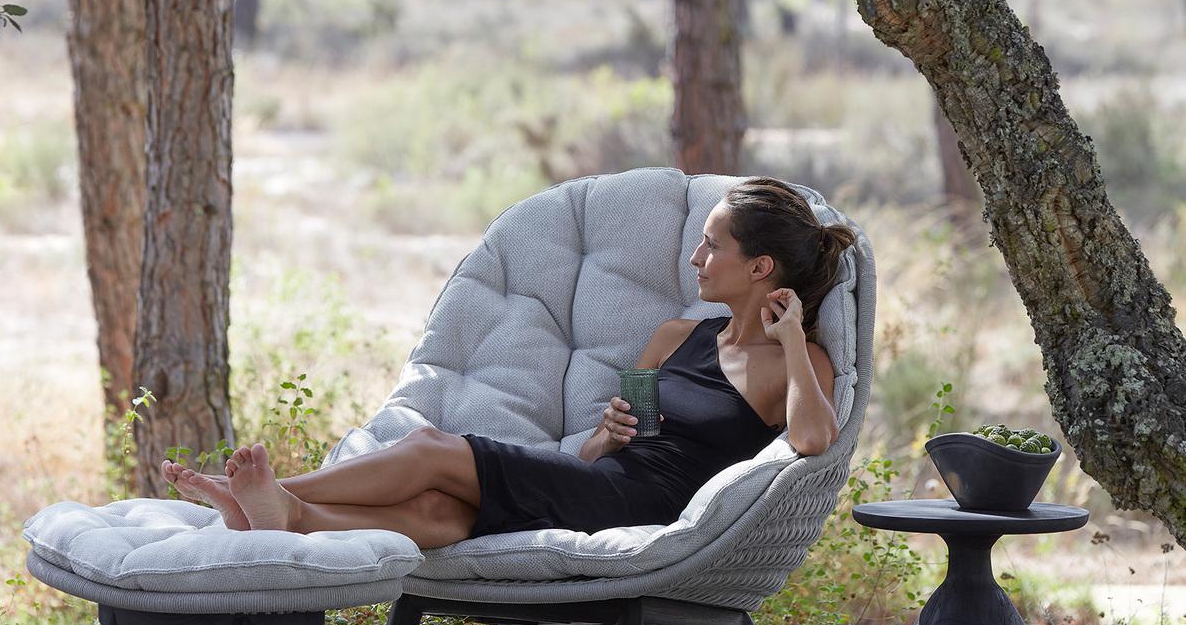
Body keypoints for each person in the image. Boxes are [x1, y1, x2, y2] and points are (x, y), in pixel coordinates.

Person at [163, 176, 855, 547]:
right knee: (438, 513)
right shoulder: (673, 335)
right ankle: (288, 516)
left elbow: (812, 439)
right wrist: (604, 435)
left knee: (432, 448)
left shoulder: (798, 365)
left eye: (712, 246)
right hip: (604, 483)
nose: (696, 258)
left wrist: (793, 340)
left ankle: (275, 491)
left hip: (652, 507)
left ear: (759, 267)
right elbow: (605, 449)